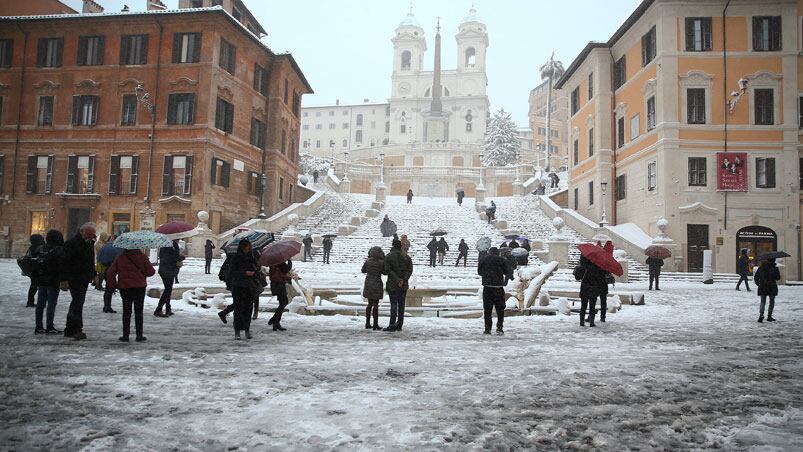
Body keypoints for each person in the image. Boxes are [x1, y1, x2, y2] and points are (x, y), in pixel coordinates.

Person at [106, 247, 155, 342]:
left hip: (125, 287)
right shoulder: (143, 257)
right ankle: (139, 335)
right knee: (139, 312)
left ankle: (125, 335)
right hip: (139, 287)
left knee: (126, 311)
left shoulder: (120, 258)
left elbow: (110, 272)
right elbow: (151, 272)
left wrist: (113, 285)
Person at [60, 222, 97, 340]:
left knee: (78, 303)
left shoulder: (89, 243)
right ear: (82, 232)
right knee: (77, 303)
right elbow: (64, 263)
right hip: (74, 278)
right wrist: (64, 279)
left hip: (84, 278)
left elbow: (90, 261)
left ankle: (71, 329)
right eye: (89, 234)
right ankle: (75, 329)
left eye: (93, 234)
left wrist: (94, 274)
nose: (91, 236)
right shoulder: (71, 244)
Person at [33, 229, 64, 334]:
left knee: (40, 304)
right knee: (51, 303)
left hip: (41, 279)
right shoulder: (59, 249)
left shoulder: (41, 248)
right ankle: (49, 326)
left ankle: (38, 326)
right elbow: (61, 265)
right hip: (53, 280)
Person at [229, 239, 260, 339]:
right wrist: (244, 273)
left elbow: (256, 269)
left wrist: (255, 270)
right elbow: (232, 272)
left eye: (249, 247)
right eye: (246, 247)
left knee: (248, 309)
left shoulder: (252, 257)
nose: (248, 248)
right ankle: (237, 330)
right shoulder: (236, 258)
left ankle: (247, 329)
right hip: (238, 285)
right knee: (238, 309)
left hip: (249, 286)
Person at [383, 239, 412, 332]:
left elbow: (387, 270)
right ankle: (399, 324)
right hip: (403, 285)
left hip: (393, 285)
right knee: (401, 305)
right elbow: (410, 270)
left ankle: (392, 324)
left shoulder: (388, 256)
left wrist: (397, 279)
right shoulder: (406, 257)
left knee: (393, 305)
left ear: (392, 245)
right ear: (400, 246)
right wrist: (403, 280)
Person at [478, 247, 508, 335]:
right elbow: (506, 271)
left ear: (489, 252)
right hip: (498, 287)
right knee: (500, 309)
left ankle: (487, 328)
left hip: (487, 287)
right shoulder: (502, 260)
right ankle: (499, 327)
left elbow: (480, 272)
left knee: (487, 309)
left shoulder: (484, 259)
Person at [573, 255, 607, 327]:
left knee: (583, 307)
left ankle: (582, 323)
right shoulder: (597, 267)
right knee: (592, 307)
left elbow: (577, 278)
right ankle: (592, 322)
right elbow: (600, 278)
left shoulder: (582, 268)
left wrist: (576, 270)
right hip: (593, 289)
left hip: (584, 289)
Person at [154, 240, 184, 317]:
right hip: (168, 270)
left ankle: (168, 309)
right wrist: (181, 257)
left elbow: (163, 257)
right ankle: (158, 309)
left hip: (164, 270)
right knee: (168, 290)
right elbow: (173, 258)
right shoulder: (173, 245)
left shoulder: (164, 245)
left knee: (168, 289)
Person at [97, 238, 123, 313]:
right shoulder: (118, 248)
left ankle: (106, 306)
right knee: (110, 288)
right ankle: (107, 306)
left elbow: (99, 258)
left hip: (106, 269)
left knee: (109, 288)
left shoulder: (106, 246)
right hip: (112, 269)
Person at [361, 246, 385, 330]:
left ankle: (367, 323)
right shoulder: (381, 262)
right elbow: (385, 272)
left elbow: (363, 270)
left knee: (369, 304)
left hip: (368, 282)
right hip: (377, 282)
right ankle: (375, 324)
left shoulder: (368, 261)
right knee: (376, 304)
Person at [268, 259, 294, 331]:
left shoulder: (273, 262)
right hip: (279, 285)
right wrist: (289, 260)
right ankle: (274, 320)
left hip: (275, 285)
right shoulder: (280, 262)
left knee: (282, 303)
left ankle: (275, 322)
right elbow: (287, 268)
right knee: (284, 302)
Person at [754, 258, 781, 323]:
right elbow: (778, 278)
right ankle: (769, 316)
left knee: (763, 301)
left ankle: (761, 315)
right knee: (771, 302)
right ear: (774, 261)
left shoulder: (761, 267)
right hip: (772, 286)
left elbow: (756, 277)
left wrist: (759, 284)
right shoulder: (774, 268)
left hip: (763, 286)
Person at [25, 234, 45, 307]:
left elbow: (27, 257)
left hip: (32, 270)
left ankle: (30, 301)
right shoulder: (41, 247)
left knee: (33, 286)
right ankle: (40, 302)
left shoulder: (31, 247)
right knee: (40, 286)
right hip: (39, 270)